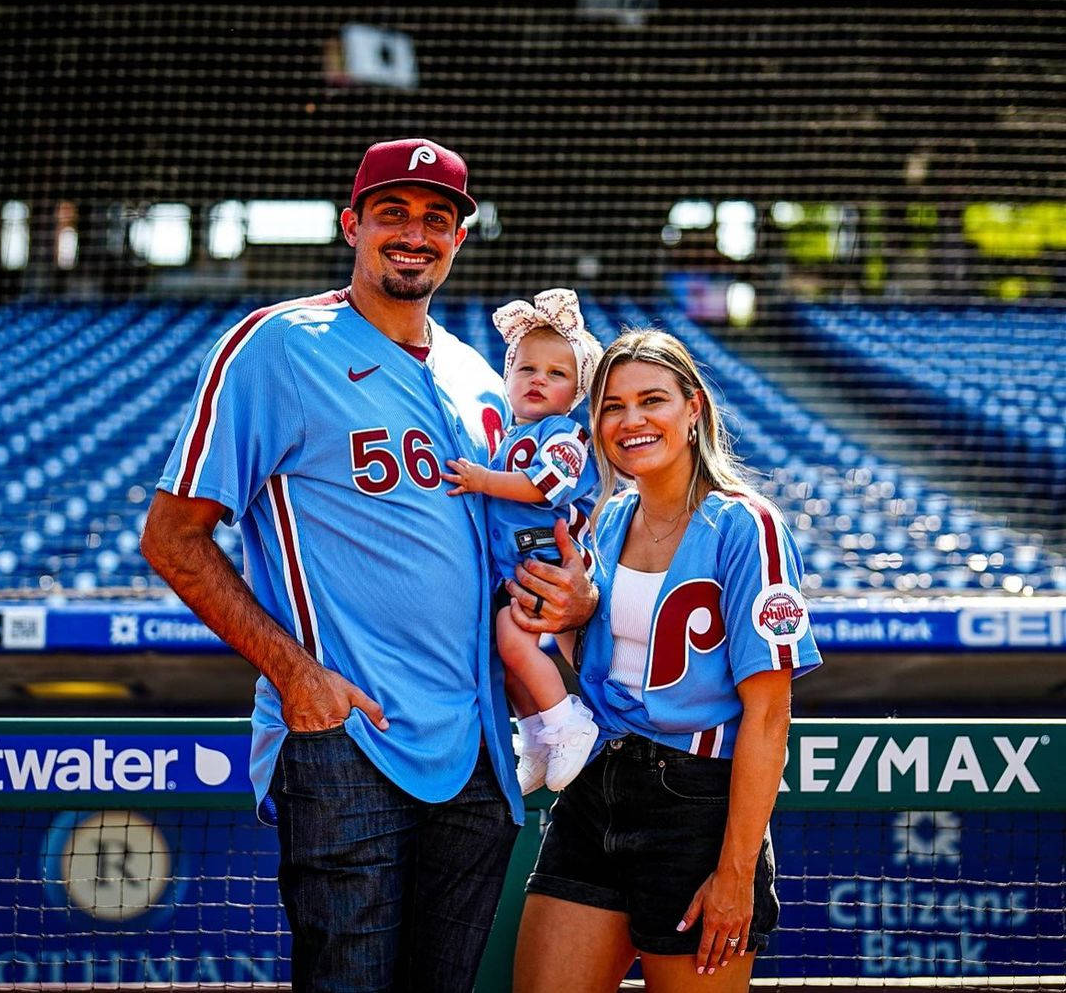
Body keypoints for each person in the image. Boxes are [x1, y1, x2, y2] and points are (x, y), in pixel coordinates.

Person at [140, 137, 598, 993]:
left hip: (476, 749)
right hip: (348, 731)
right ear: (352, 222)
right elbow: (172, 535)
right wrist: (296, 675)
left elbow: (530, 534)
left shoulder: (481, 377)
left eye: (438, 217)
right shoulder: (276, 345)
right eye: (393, 212)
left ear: (460, 238)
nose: (415, 233)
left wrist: (578, 593)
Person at [514, 329, 822, 993]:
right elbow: (602, 665)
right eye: (612, 405)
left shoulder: (747, 526)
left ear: (694, 409)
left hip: (697, 807)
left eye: (651, 399)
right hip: (598, 788)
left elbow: (768, 715)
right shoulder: (607, 519)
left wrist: (736, 873)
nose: (631, 420)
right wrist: (566, 620)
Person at [442, 288, 603, 794]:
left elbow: (544, 486)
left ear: (575, 392)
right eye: (527, 369)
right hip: (512, 563)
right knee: (504, 655)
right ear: (506, 378)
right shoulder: (504, 436)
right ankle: (534, 737)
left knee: (514, 641)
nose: (539, 380)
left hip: (544, 557)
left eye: (557, 375)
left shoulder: (564, 436)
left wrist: (483, 481)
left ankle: (567, 722)